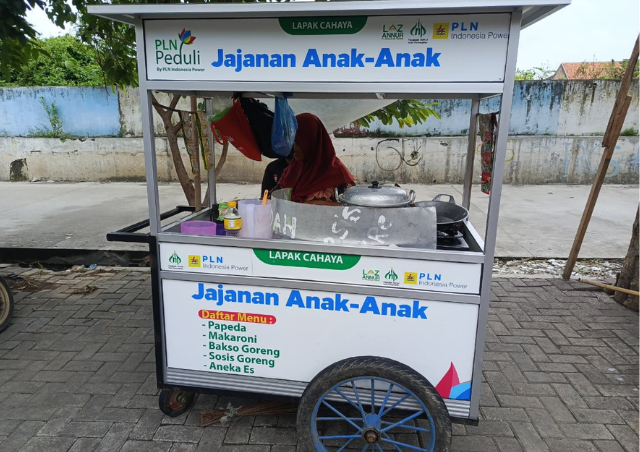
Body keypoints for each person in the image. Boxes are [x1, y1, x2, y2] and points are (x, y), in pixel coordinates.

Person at [277, 113, 355, 205]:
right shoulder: (292, 170)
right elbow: (273, 197)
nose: (293, 148)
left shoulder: (338, 174)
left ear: (311, 142)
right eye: (292, 142)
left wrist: (321, 206)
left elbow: (353, 209)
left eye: (297, 142)